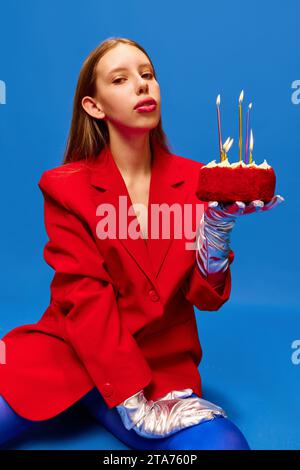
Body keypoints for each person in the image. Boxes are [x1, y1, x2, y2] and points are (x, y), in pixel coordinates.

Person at [0, 37, 283, 450]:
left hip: (159, 364)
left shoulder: (199, 181)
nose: (142, 85)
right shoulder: (65, 188)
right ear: (94, 106)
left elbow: (207, 298)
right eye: (120, 79)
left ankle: (97, 402)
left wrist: (216, 233)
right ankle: (95, 398)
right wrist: (131, 401)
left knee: (227, 447)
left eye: (147, 75)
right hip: (73, 353)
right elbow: (86, 299)